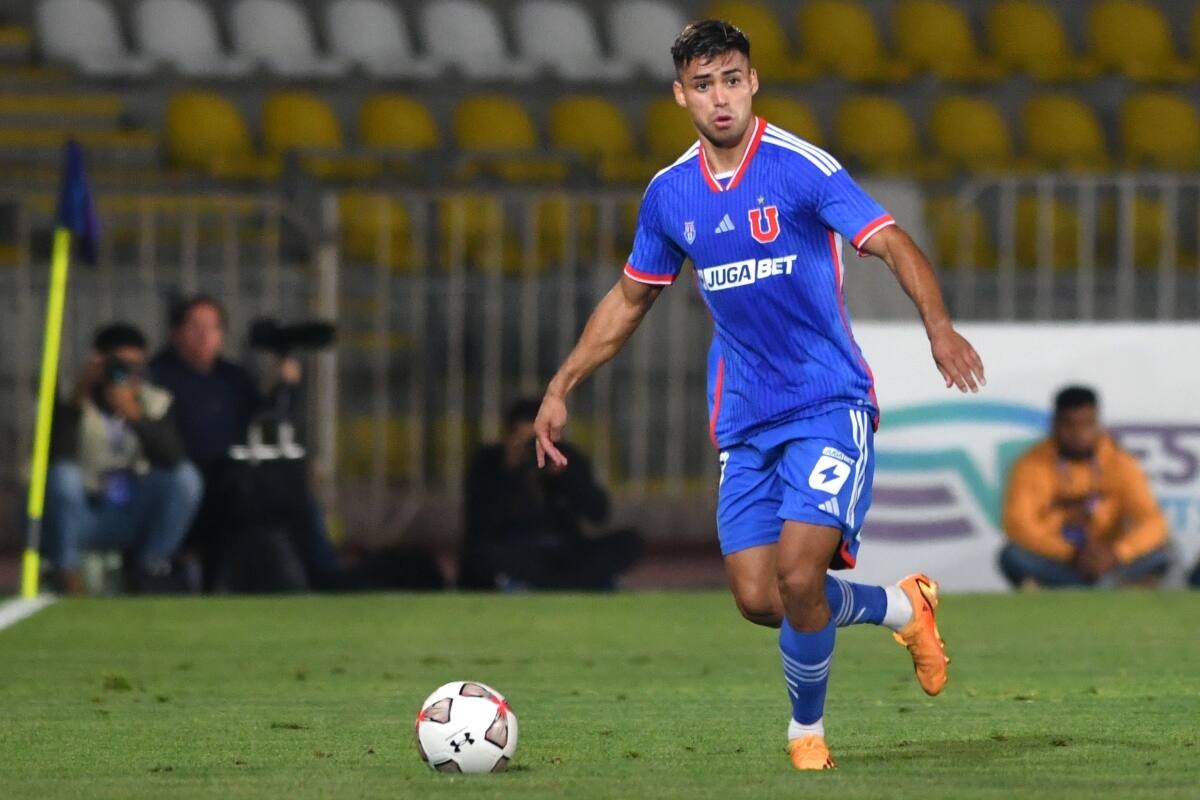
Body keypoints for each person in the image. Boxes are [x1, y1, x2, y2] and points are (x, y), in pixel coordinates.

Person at [532, 21, 985, 770]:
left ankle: (805, 733)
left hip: (827, 402)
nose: (720, 97)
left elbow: (894, 243)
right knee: (761, 599)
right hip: (744, 417)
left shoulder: (799, 167)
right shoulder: (670, 194)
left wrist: (938, 327)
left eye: (732, 79)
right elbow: (629, 299)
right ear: (681, 95)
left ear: (753, 83)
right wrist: (560, 385)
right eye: (704, 84)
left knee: (802, 575)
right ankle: (905, 606)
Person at [43, 323, 202, 593]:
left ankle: (149, 569)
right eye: (119, 365)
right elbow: (57, 456)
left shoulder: (153, 401)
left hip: (129, 506)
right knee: (62, 476)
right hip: (84, 509)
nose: (126, 374)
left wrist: (134, 415)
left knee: (187, 479)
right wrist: (81, 392)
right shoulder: (72, 399)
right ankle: (66, 572)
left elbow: (174, 459)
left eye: (134, 366)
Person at [459, 399, 643, 591]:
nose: (534, 450)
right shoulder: (489, 462)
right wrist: (511, 472)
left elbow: (599, 513)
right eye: (530, 443)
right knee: (484, 556)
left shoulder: (564, 458)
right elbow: (479, 523)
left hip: (564, 551)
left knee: (628, 543)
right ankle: (571, 585)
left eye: (540, 442)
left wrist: (565, 479)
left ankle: (553, 586)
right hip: (516, 550)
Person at [1000, 386, 1170, 588]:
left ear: (1098, 424)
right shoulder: (1030, 464)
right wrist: (1071, 553)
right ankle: (1103, 588)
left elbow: (1154, 522)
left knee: (1163, 554)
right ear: (1055, 424)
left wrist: (1118, 552)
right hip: (1061, 559)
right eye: (1069, 424)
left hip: (1110, 559)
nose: (1078, 433)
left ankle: (1082, 588)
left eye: (1086, 424)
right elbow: (1018, 524)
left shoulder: (1120, 462)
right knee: (1012, 556)